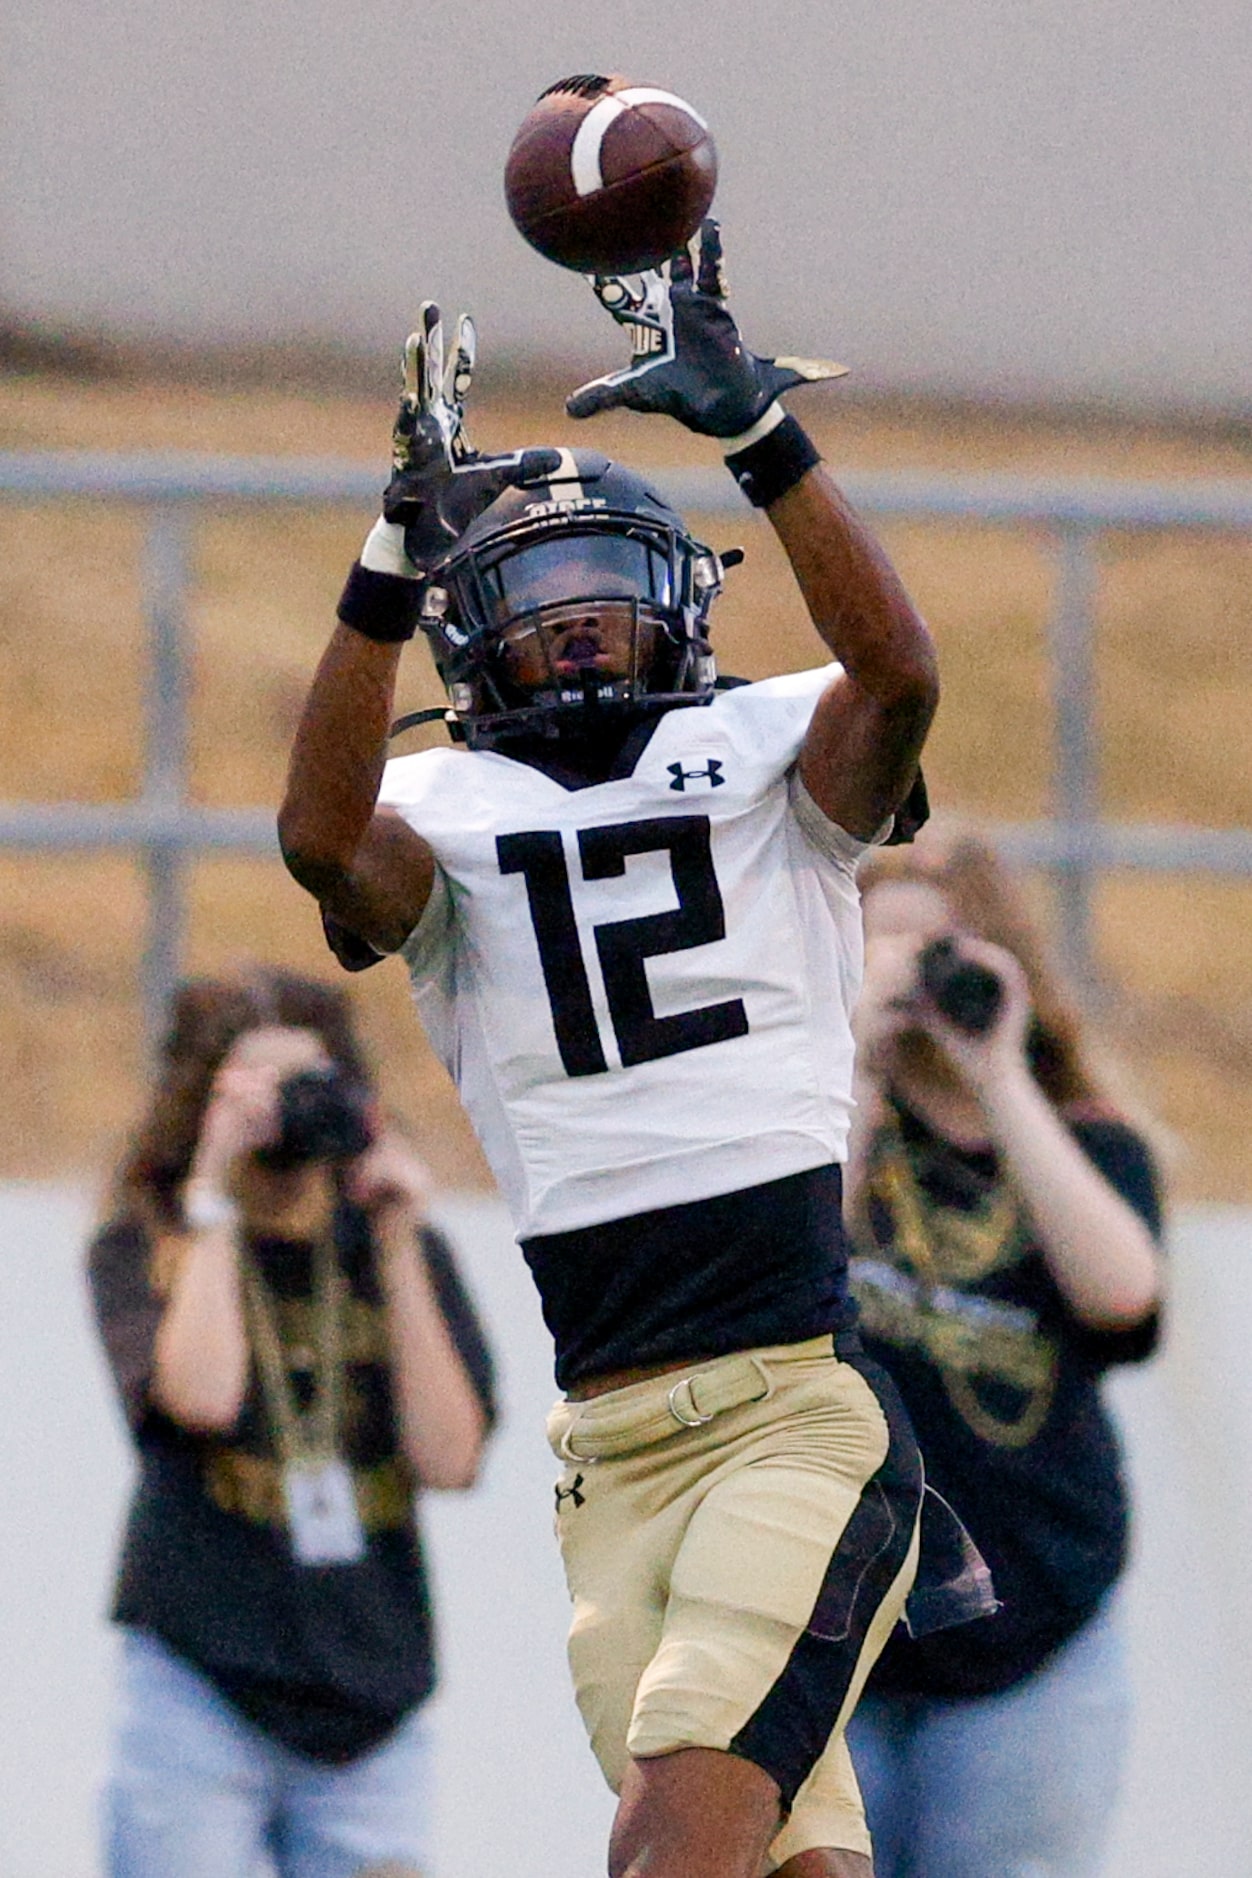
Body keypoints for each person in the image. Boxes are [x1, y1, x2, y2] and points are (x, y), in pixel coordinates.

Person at [279, 191, 953, 1878]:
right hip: (607, 1452)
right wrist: (380, 559)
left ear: (681, 596)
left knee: (670, 1845)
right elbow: (313, 833)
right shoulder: (436, 815)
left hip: (793, 1417)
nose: (577, 618)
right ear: (460, 628)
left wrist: (765, 440)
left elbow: (902, 677)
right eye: (538, 590)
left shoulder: (774, 754)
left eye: (604, 583)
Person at [88, 965, 496, 1878]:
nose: (286, 1112)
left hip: (369, 1693)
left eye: (307, 1083)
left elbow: (453, 1456)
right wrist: (213, 1193)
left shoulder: (400, 1248)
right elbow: (202, 1397)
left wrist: (395, 1242)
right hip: (199, 1681)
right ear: (205, 1098)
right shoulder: (148, 1243)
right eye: (256, 1087)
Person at [840, 824, 1165, 1878]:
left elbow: (1122, 1297)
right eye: (876, 946)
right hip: (836, 1636)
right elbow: (784, 1279)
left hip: (1031, 1638)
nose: (908, 975)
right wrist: (849, 1063)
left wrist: (999, 1079)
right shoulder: (815, 1133)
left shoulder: (1086, 1140)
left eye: (934, 950)